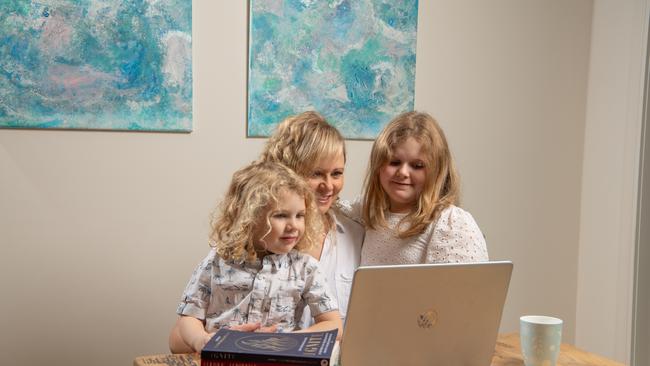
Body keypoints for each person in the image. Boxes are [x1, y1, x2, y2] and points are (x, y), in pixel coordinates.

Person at [169, 161, 343, 353]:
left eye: (300, 215)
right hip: (220, 357)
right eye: (281, 215)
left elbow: (334, 325)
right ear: (249, 217)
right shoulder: (217, 261)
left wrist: (286, 339)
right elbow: (188, 318)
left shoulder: (306, 268)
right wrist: (200, 340)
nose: (294, 225)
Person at [340, 111, 488, 265]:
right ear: (378, 166)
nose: (403, 173)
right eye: (394, 162)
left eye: (417, 166)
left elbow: (467, 286)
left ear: (437, 171)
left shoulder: (449, 222)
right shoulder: (369, 212)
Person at [259, 111, 364, 327]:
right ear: (287, 172)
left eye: (336, 173)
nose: (328, 186)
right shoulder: (260, 236)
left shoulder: (356, 234)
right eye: (316, 174)